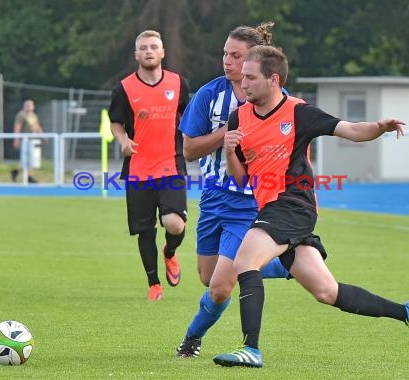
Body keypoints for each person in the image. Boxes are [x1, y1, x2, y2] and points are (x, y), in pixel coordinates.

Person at [212, 45, 409, 368]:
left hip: (293, 204)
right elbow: (240, 178)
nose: (243, 83)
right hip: (270, 208)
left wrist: (379, 126)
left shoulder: (299, 113)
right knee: (327, 292)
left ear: (273, 80)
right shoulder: (239, 117)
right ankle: (407, 311)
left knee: (245, 260)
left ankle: (251, 348)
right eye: (242, 77)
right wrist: (229, 151)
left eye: (250, 77)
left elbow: (350, 130)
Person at [176, 22, 290, 358]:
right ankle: (282, 264)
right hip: (212, 198)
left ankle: (191, 340)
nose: (227, 61)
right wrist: (225, 132)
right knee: (207, 277)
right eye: (225, 53)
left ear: (253, 60)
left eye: (236, 55)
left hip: (249, 203)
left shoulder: (273, 100)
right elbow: (189, 150)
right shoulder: (210, 95)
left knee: (222, 285)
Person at [108, 30, 190, 301]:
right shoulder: (124, 88)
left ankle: (170, 251)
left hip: (171, 164)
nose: (149, 51)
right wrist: (123, 140)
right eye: (143, 48)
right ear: (136, 55)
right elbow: (116, 122)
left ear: (162, 52)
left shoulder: (179, 84)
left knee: (174, 223)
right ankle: (154, 283)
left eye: (154, 46)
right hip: (139, 167)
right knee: (145, 230)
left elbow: (189, 117)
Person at [11, 99, 44, 184]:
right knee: (25, 159)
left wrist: (42, 136)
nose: (30, 107)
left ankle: (18, 172)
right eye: (28, 105)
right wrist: (16, 139)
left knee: (31, 159)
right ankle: (27, 176)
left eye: (31, 105)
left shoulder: (33, 115)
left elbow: (37, 126)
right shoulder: (21, 115)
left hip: (32, 139)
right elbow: (17, 127)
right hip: (24, 140)